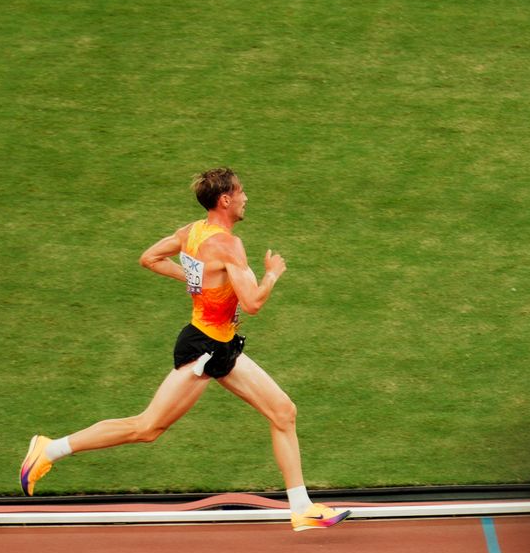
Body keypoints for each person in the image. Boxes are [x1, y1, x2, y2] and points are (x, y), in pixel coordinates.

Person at [19, 168, 348, 529]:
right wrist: (271, 274)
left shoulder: (191, 232)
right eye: (241, 193)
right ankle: (48, 449)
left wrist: (196, 280)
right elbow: (252, 303)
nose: (246, 199)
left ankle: (301, 508)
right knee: (147, 427)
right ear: (225, 200)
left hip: (223, 346)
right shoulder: (228, 245)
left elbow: (150, 258)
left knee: (283, 411)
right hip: (203, 350)